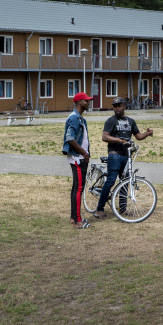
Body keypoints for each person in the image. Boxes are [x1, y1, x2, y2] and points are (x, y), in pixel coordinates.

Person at [93, 97, 154, 219]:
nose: (117, 108)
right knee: (110, 181)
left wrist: (146, 134)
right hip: (115, 154)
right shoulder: (111, 121)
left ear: (124, 106)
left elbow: (138, 136)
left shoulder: (131, 121)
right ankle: (99, 209)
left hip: (127, 156)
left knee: (125, 182)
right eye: (115, 106)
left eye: (119, 106)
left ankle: (122, 209)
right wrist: (119, 140)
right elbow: (105, 137)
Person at [63, 92, 94, 229]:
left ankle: (73, 217)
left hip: (80, 157)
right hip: (78, 157)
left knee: (76, 188)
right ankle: (78, 221)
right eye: (86, 101)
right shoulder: (74, 118)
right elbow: (70, 138)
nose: (88, 103)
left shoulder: (81, 118)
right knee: (78, 188)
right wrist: (84, 153)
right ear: (79, 102)